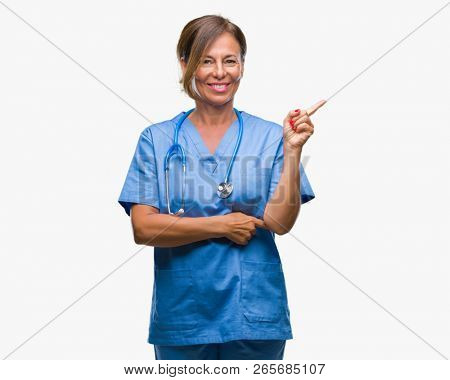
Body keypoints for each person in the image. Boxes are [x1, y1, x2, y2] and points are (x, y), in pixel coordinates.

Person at [118, 14, 325, 360]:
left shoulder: (272, 137)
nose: (219, 72)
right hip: (182, 317)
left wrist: (292, 149)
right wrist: (222, 225)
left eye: (230, 60)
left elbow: (279, 223)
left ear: (242, 65)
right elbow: (143, 228)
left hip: (254, 316)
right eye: (206, 61)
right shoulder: (156, 140)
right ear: (186, 65)